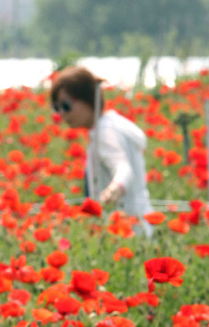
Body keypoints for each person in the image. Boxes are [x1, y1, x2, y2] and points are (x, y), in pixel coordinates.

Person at [50, 65, 153, 235]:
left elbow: (123, 169)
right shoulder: (113, 123)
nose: (62, 113)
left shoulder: (105, 133)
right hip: (137, 226)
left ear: (87, 99)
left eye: (66, 106)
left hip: (127, 232)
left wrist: (113, 190)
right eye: (56, 107)